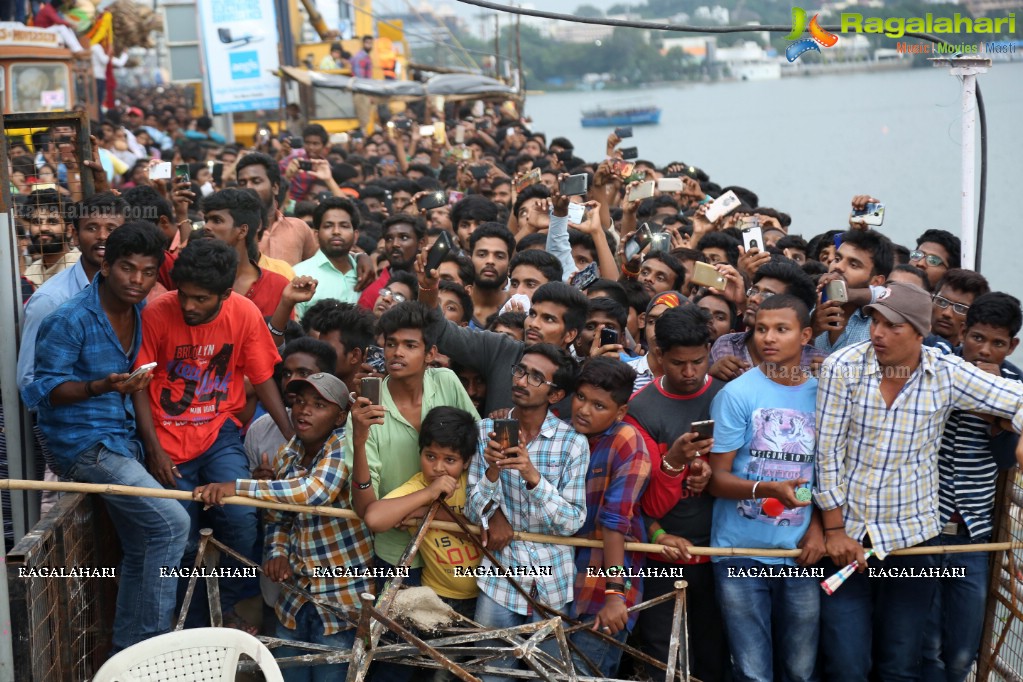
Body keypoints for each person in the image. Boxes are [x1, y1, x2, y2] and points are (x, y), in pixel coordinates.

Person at [815, 281, 1023, 681]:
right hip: (849, 539)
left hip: (912, 540)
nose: (877, 333)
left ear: (918, 332)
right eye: (875, 321)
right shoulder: (843, 367)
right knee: (846, 663)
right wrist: (835, 530)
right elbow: (827, 455)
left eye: (892, 326)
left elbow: (1014, 397)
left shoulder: (946, 372)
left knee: (900, 662)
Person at [21, 221, 189, 653]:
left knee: (147, 542)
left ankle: (129, 653)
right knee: (173, 523)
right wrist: (103, 385)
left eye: (148, 272)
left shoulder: (140, 311)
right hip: (82, 445)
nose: (137, 280)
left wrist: (152, 447)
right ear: (106, 264)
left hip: (123, 440)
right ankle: (152, 649)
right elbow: (44, 392)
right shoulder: (68, 317)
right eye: (127, 269)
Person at [131, 238, 294, 633]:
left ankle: (232, 603)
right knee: (182, 538)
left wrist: (294, 438)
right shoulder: (156, 312)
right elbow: (138, 385)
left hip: (218, 431)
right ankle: (194, 623)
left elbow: (263, 377)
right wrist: (153, 451)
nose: (188, 306)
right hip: (166, 438)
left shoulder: (245, 313)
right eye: (184, 295)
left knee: (241, 520)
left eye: (201, 299)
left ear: (225, 294)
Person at [192, 372, 372, 682]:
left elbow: (312, 492)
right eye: (300, 402)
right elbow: (278, 516)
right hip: (295, 597)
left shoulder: (346, 444)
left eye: (319, 404)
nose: (304, 410)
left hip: (341, 599)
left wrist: (236, 487)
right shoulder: (290, 451)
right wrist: (276, 551)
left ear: (340, 415)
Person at [707, 294, 824, 681]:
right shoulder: (737, 394)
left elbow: (820, 475)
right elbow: (717, 480)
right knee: (753, 671)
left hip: (798, 554)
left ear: (806, 335)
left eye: (781, 329)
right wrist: (769, 490)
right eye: (760, 329)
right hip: (739, 553)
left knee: (801, 669)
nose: (767, 338)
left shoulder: (824, 397)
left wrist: (819, 529)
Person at [465, 344, 588, 682]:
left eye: (536, 377)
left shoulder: (573, 443)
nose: (522, 380)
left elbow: (572, 522)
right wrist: (491, 472)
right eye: (520, 371)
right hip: (500, 576)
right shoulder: (485, 430)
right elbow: (473, 510)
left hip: (552, 580)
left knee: (549, 676)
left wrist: (532, 476)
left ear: (556, 393)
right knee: (490, 674)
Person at [923, 292, 1022, 681]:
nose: (985, 349)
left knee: (963, 649)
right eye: (978, 338)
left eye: (998, 343)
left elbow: (1005, 459)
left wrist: (998, 412)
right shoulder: (938, 367)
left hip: (973, 535)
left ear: (1011, 345)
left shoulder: (1014, 385)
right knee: (925, 643)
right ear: (963, 332)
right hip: (926, 529)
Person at [342, 302, 479, 580]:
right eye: (391, 344)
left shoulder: (446, 381)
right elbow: (366, 508)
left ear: (431, 353)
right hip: (398, 553)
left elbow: (476, 451)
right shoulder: (366, 411)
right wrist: (359, 440)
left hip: (455, 544)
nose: (397, 352)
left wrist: (426, 508)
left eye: (410, 345)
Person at [628, 305, 727, 681]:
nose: (689, 373)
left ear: (709, 350)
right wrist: (673, 463)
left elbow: (742, 472)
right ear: (658, 356)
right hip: (660, 554)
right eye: (677, 363)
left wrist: (710, 472)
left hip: (720, 553)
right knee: (661, 655)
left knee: (713, 654)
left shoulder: (729, 396)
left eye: (698, 361)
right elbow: (645, 503)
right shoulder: (641, 409)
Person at [356, 406, 481, 622]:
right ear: (420, 452)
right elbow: (374, 518)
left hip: (486, 594)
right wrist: (428, 493)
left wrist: (431, 512)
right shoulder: (419, 487)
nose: (438, 467)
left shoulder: (474, 482)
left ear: (467, 461)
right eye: (430, 456)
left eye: (450, 460)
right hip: (438, 596)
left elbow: (486, 539)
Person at [568, 357, 650, 677]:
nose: (585, 409)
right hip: (559, 585)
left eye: (599, 405)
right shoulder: (567, 435)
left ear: (620, 412)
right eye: (581, 397)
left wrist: (615, 593)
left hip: (602, 591)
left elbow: (615, 521)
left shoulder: (626, 441)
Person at [709, 260, 821, 382]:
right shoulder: (726, 345)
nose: (754, 298)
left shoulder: (817, 363)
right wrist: (710, 376)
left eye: (768, 296)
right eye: (754, 291)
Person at [812, 228, 894, 354]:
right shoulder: (812, 307)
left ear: (876, 282)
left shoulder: (878, 325)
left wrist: (833, 368)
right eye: (838, 259)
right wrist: (812, 331)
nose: (838, 267)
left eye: (853, 265)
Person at [236, 152, 319, 266]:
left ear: (275, 187)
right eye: (242, 183)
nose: (248, 188)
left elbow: (316, 268)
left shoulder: (299, 228)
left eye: (256, 181)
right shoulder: (232, 233)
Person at [293, 197, 362, 318]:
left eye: (344, 226)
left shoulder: (365, 275)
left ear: (355, 235)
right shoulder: (298, 274)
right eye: (328, 226)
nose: (336, 231)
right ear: (316, 235)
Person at [22, 188, 79, 286]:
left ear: (69, 230)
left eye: (52, 222)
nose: (43, 228)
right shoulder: (31, 273)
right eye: (36, 222)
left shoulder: (81, 267)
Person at [926, 268, 990, 350]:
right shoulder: (910, 345)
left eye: (960, 308)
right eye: (942, 302)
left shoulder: (973, 359)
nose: (947, 313)